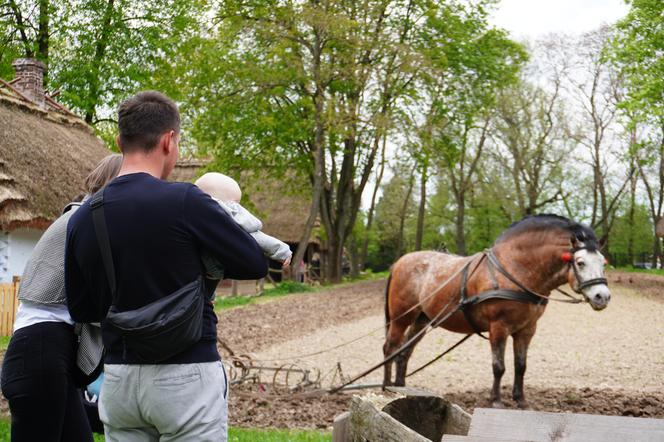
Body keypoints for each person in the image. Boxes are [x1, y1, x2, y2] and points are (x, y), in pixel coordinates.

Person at [65, 91, 267, 442]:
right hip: (186, 374)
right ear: (169, 141)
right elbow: (253, 262)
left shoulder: (84, 217)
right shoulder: (186, 200)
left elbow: (81, 307)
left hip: (120, 380)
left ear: (119, 141)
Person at [1, 154, 123, 442]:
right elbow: (97, 300)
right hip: (42, 349)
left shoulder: (81, 218)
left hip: (47, 350)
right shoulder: (85, 220)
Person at [195, 172, 292, 278]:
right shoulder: (228, 212)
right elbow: (254, 235)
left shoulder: (191, 214)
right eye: (236, 203)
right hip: (215, 269)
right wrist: (281, 250)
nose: (238, 208)